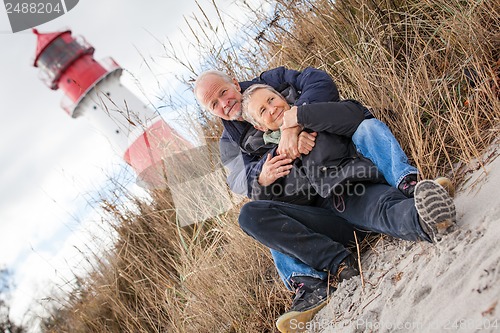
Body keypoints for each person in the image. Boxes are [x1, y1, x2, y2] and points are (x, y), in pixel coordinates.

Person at [193, 67, 420, 331]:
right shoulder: (233, 142)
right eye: (214, 104)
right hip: (315, 209)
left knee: (373, 180)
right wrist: (261, 174)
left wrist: (295, 121)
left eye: (223, 92)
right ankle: (313, 278)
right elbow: (238, 179)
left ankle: (415, 196)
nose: (224, 103)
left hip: (344, 187)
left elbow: (320, 82)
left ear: (233, 82)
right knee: (257, 211)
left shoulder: (272, 82)